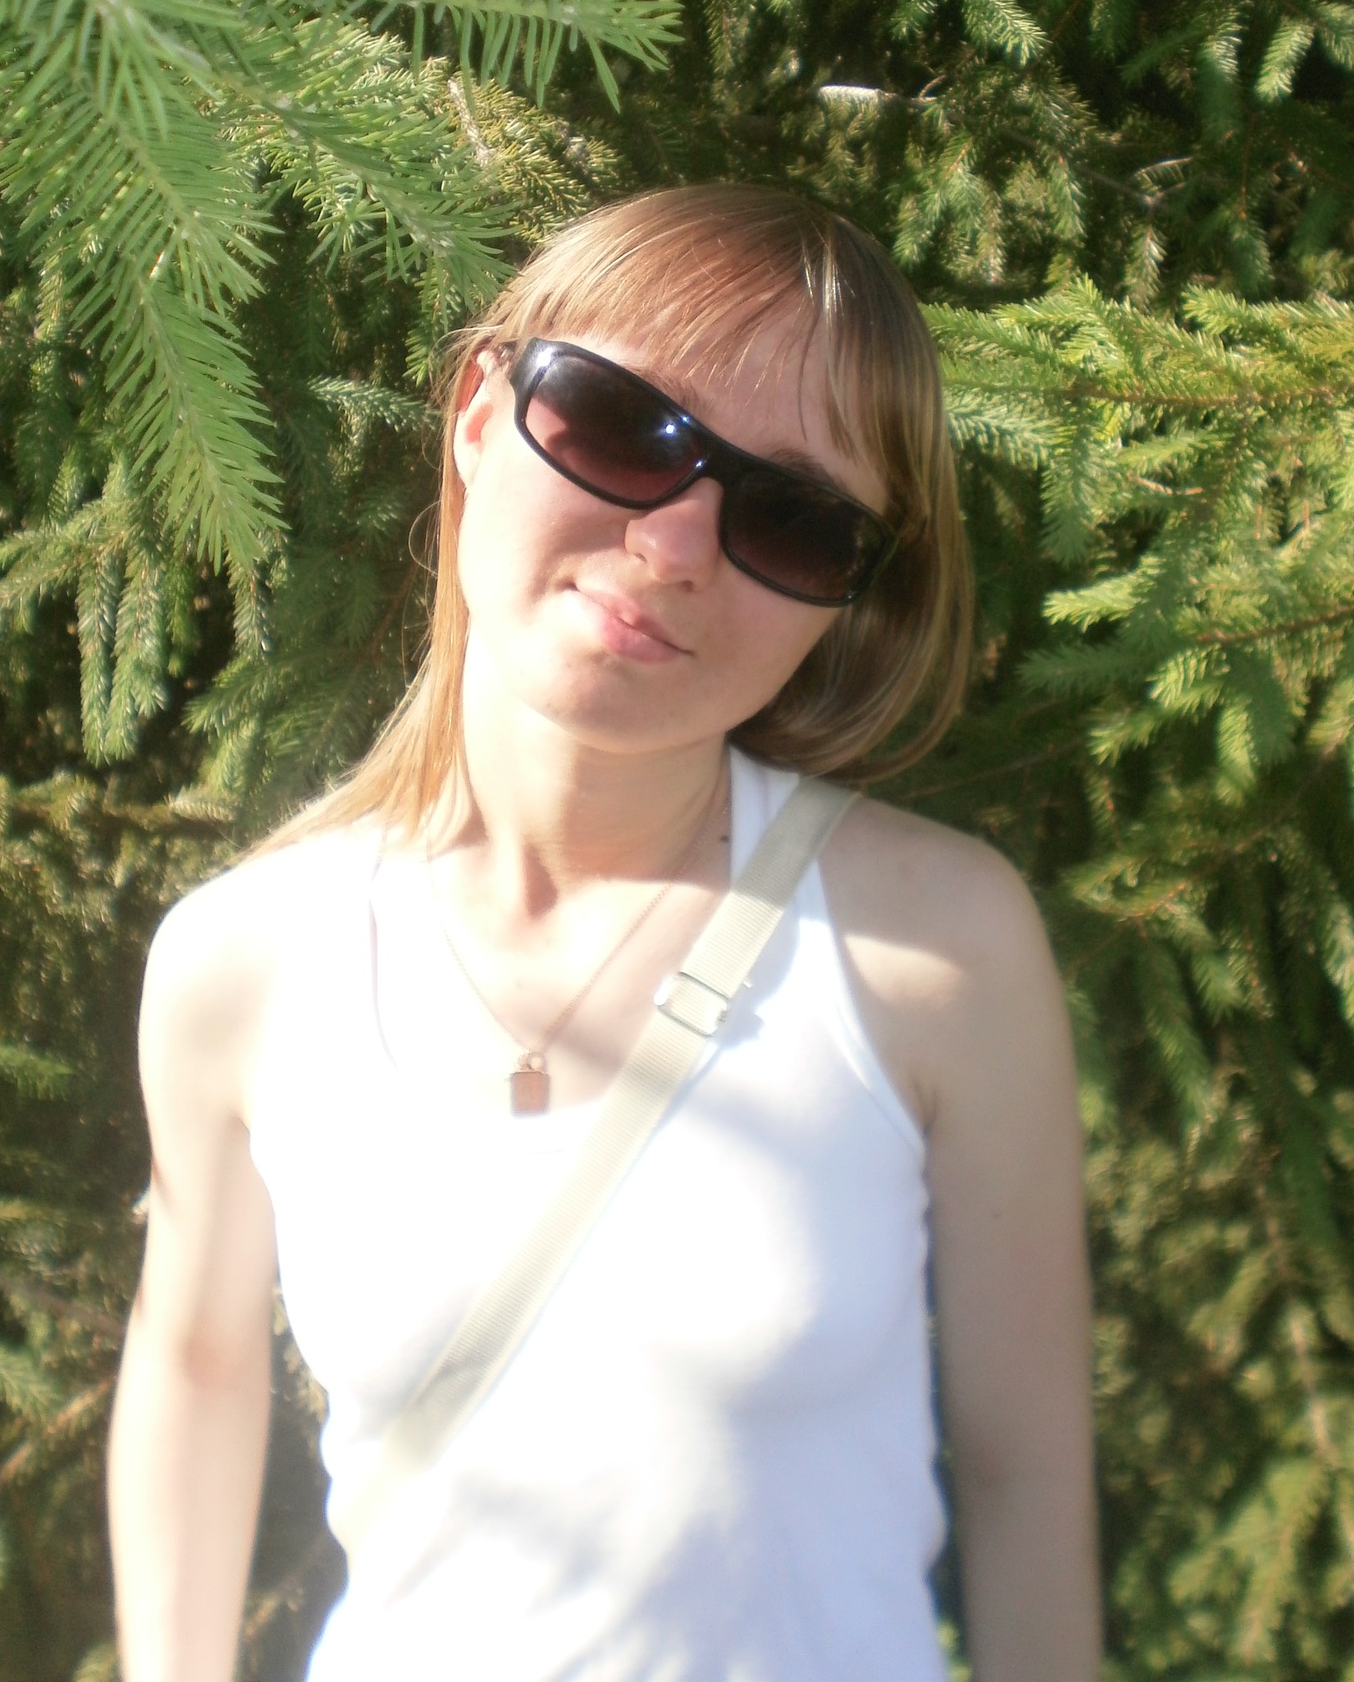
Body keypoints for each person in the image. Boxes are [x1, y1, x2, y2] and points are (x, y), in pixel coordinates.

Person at [108, 186, 1099, 1682]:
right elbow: (192, 1365)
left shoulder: (932, 953)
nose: (679, 540)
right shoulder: (244, 964)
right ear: (477, 413)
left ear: (845, 598)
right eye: (624, 427)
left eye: (793, 519)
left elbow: (1028, 1475)